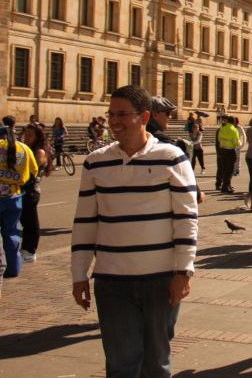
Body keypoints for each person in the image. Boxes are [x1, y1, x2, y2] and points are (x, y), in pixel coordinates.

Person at [71, 85, 198, 377]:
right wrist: (79, 275)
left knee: (156, 362)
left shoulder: (172, 158)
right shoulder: (95, 163)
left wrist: (184, 272)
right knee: (121, 363)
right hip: (112, 280)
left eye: (122, 114)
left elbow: (186, 218)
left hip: (161, 279)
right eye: (111, 113)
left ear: (143, 116)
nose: (114, 121)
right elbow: (85, 223)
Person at [1, 116, 38, 278]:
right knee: (12, 234)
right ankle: (13, 268)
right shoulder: (23, 148)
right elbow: (34, 171)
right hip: (14, 196)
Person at [20, 124, 50, 263]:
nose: (27, 138)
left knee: (30, 221)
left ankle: (30, 250)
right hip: (22, 190)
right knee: (23, 220)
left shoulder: (39, 152)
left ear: (38, 137)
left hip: (31, 191)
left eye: (30, 135)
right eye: (25, 134)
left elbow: (31, 172)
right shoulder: (25, 149)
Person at [216, 115, 240, 193]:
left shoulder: (222, 128)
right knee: (229, 170)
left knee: (224, 169)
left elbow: (219, 139)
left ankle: (225, 186)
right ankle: (225, 187)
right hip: (230, 151)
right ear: (233, 122)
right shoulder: (234, 130)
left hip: (222, 150)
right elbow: (236, 142)